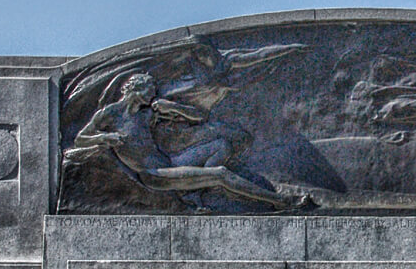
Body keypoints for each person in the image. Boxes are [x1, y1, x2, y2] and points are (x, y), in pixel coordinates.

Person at [63, 73, 313, 210]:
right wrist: (105, 137)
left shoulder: (148, 113)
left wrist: (174, 107)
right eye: (149, 88)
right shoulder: (109, 114)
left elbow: (199, 117)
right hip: (154, 174)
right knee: (220, 173)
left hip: (170, 162)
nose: (153, 93)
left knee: (221, 147)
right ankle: (280, 202)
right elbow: (80, 138)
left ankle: (192, 189)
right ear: (134, 89)